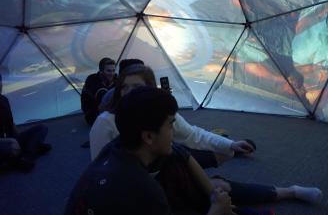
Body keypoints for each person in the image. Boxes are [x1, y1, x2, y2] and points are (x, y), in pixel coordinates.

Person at [65, 86, 233, 215]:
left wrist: (210, 189)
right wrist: (217, 210)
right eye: (170, 124)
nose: (174, 131)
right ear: (148, 137)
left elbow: (178, 150)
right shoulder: (144, 190)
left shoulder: (116, 147)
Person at [91, 64, 256, 168]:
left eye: (136, 87)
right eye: (124, 87)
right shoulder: (105, 122)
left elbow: (191, 134)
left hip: (162, 167)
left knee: (223, 158)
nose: (128, 92)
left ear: (150, 89)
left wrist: (230, 144)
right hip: (135, 180)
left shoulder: (159, 111)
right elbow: (99, 167)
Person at [0, 74, 51, 172]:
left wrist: (19, 139)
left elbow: (11, 123)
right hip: (3, 143)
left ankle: (26, 156)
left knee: (42, 128)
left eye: (0, 83)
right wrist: (11, 141)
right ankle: (30, 150)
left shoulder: (3, 100)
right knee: (9, 148)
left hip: (11, 139)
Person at [81, 57, 116, 126]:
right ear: (101, 71)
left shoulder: (116, 79)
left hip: (110, 113)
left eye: (113, 70)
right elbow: (102, 99)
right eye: (108, 71)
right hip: (93, 115)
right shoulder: (92, 80)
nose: (112, 73)